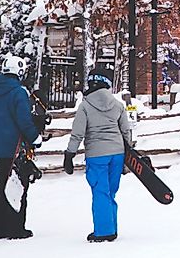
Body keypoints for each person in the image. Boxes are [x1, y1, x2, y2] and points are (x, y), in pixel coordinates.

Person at [63, 67, 132, 242]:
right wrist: (128, 153)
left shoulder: (85, 106)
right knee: (110, 192)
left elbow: (77, 133)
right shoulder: (118, 105)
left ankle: (104, 232)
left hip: (97, 155)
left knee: (100, 192)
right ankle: (112, 227)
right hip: (117, 153)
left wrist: (70, 154)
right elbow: (126, 131)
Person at [0, 54, 42, 240]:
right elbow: (23, 120)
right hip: (16, 148)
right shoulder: (19, 93)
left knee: (1, 185)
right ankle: (15, 228)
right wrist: (35, 138)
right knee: (17, 187)